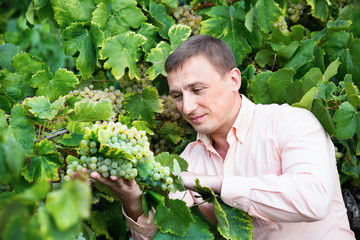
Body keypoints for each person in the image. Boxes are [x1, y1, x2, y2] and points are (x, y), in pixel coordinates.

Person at [91, 35, 356, 239]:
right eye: (177, 95)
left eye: (197, 89)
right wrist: (133, 202)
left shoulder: (291, 123)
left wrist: (213, 183)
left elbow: (313, 201)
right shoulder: (187, 161)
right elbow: (167, 234)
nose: (187, 107)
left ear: (234, 80)